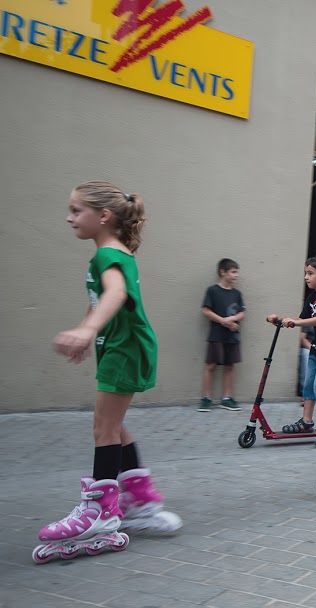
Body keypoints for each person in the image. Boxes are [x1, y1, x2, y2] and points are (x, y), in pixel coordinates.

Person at [42, 181, 179, 555]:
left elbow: (116, 295)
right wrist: (89, 330)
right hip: (121, 344)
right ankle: (141, 498)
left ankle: (100, 511)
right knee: (113, 425)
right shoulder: (113, 252)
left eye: (76, 210)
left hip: (124, 347)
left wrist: (87, 330)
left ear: (102, 217)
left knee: (103, 427)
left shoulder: (106, 256)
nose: (69, 218)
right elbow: (100, 299)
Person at [266, 255, 316, 448]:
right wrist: (280, 318)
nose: (306, 277)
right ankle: (306, 421)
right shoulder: (312, 297)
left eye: (311, 274)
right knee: (309, 384)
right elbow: (300, 318)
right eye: (305, 273)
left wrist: (297, 322)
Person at [199, 258, 246, 412]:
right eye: (233, 272)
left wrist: (231, 319)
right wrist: (223, 321)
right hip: (216, 335)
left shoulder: (237, 293)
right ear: (222, 272)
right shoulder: (212, 291)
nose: (236, 275)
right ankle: (206, 398)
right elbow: (206, 311)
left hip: (232, 336)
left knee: (229, 366)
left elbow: (242, 313)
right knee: (211, 365)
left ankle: (226, 398)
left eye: (236, 272)